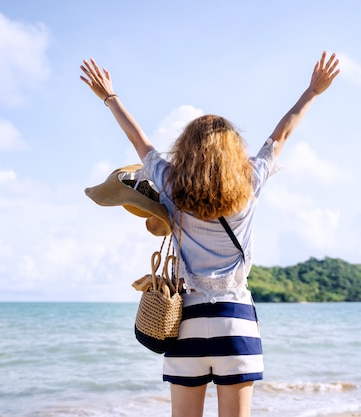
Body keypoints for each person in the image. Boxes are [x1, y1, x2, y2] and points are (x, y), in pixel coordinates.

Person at [80, 51, 339, 417]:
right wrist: (312, 91)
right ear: (234, 151)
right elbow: (281, 135)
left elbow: (140, 142)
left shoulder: (170, 181)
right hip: (235, 320)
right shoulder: (249, 181)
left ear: (187, 149)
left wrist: (109, 97)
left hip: (184, 320)